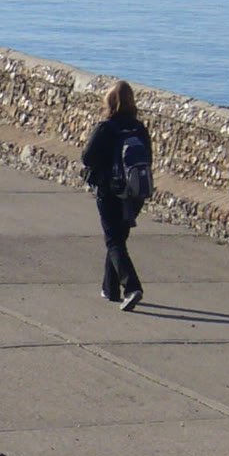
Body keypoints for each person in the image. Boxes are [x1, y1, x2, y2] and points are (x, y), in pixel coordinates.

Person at [79, 81, 151, 308]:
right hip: (135, 192)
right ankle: (110, 289)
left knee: (113, 240)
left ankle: (132, 287)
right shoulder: (139, 128)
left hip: (111, 191)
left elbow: (87, 158)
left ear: (109, 102)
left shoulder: (106, 128)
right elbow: (148, 158)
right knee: (118, 238)